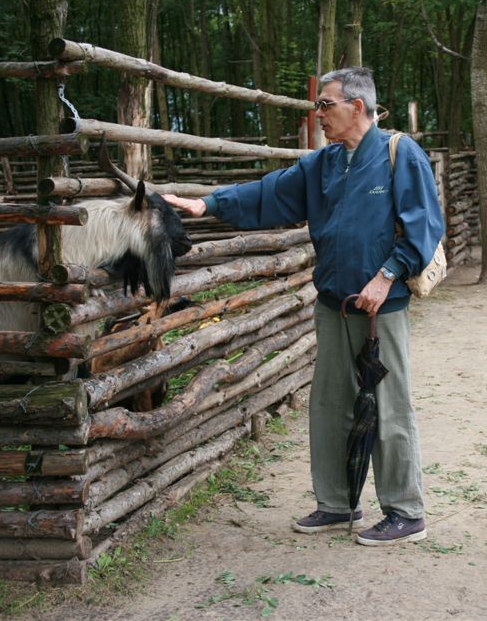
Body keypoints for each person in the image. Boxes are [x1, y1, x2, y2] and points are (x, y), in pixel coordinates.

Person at [163, 67, 443, 546]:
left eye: (325, 105)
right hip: (334, 304)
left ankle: (404, 511)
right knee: (331, 404)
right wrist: (207, 205)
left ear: (357, 107)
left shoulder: (400, 154)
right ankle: (336, 504)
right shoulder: (324, 164)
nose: (318, 115)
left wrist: (386, 276)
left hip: (382, 307)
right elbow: (268, 194)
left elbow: (423, 227)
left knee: (389, 406)